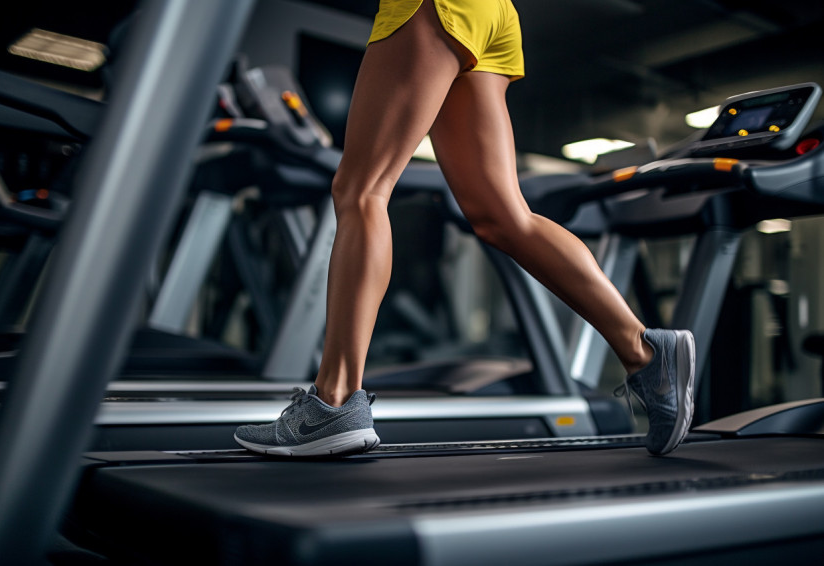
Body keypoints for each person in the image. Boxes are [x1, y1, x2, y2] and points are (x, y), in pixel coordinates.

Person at [234, 0, 695, 458]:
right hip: (491, 14)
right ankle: (646, 353)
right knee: (503, 216)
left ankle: (333, 403)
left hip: (430, 7)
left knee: (360, 192)